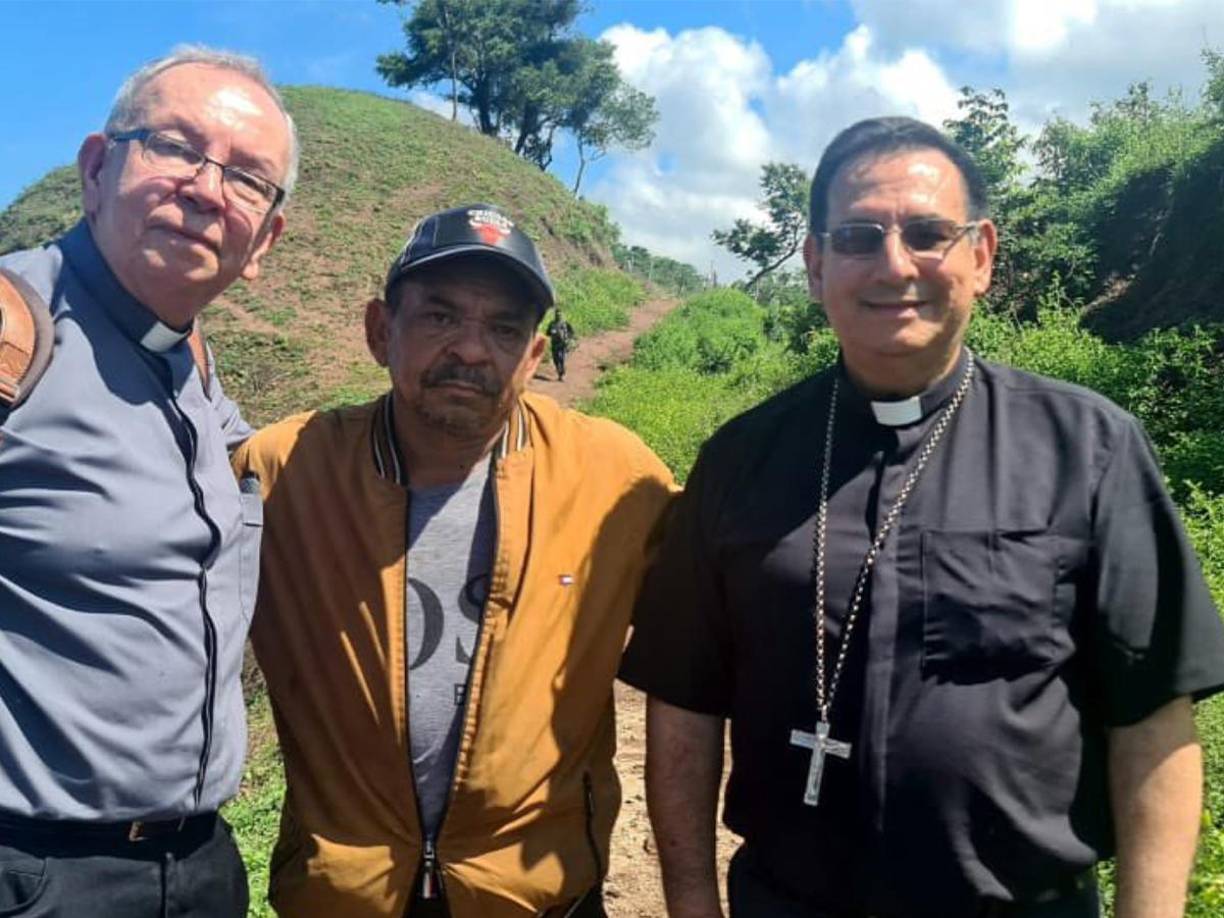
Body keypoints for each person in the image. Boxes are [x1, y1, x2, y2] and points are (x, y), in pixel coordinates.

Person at [620, 116, 1224, 918]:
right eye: (860, 236)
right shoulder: (739, 460)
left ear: (981, 257)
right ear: (815, 263)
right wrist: (692, 906)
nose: (894, 264)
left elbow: (1151, 717)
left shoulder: (1090, 448)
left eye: (929, 234)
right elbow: (686, 706)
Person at [232, 203, 675, 917]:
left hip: (538, 897)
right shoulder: (285, 471)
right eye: (439, 316)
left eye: (504, 328)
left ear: (533, 356)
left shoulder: (615, 478)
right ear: (381, 330)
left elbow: (725, 610)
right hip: (345, 895)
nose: (472, 349)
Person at [0, 46, 296, 917]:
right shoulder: (16, 331)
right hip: (37, 874)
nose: (207, 189)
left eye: (248, 178)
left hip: (199, 864)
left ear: (266, 239)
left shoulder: (191, 361)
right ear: (98, 167)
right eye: (174, 146)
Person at [547, 307, 576, 381]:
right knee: (555, 359)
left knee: (561, 358)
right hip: (554, 344)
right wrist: (552, 332)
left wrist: (569, 339)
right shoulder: (552, 324)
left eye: (559, 314)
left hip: (562, 343)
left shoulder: (565, 324)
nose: (558, 315)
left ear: (561, 315)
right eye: (557, 314)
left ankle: (561, 373)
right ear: (555, 315)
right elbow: (547, 333)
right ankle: (559, 371)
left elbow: (571, 332)